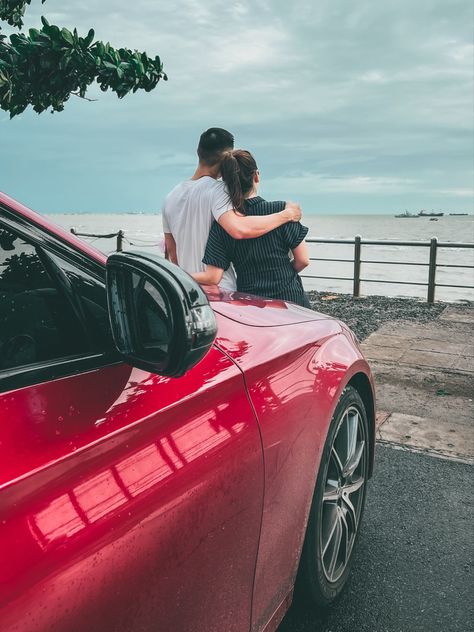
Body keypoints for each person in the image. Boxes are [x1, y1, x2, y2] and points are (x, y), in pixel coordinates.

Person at [161, 128, 302, 290]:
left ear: (198, 152)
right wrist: (287, 214)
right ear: (227, 157)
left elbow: (173, 253)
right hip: (221, 291)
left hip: (188, 290)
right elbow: (239, 229)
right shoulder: (219, 190)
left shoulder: (170, 197)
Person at [192, 149, 311, 308]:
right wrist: (284, 275)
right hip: (290, 298)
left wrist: (175, 273)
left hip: (252, 303)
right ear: (256, 176)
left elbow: (213, 276)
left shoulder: (223, 225)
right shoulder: (282, 210)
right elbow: (303, 260)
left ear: (226, 183)